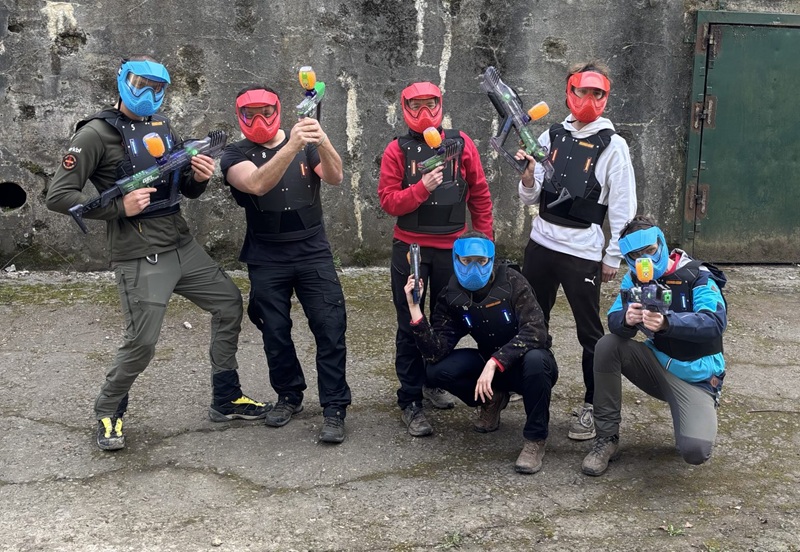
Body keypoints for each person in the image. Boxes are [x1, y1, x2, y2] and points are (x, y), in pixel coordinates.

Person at [45, 56, 268, 451]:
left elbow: (180, 188)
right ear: (122, 81)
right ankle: (109, 409)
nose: (149, 93)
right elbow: (60, 195)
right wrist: (118, 207)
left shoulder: (162, 126)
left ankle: (225, 397)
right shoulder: (95, 134)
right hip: (138, 251)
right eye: (140, 83)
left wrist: (198, 177)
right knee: (142, 342)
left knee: (230, 303)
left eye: (158, 87)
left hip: (179, 242)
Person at [220, 84, 351, 444]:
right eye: (250, 114)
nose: (259, 120)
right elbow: (257, 184)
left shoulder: (307, 143)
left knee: (330, 328)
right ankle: (289, 395)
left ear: (277, 109)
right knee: (275, 333)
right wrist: (292, 144)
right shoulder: (233, 154)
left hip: (313, 253)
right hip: (266, 256)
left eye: (266, 111)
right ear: (240, 116)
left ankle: (335, 407)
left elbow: (336, 176)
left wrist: (321, 140)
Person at [516, 61, 637, 441]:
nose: (588, 99)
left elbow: (622, 205)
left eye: (597, 93)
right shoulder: (551, 136)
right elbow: (532, 196)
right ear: (569, 91)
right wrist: (527, 175)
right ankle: (533, 391)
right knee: (532, 323)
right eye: (582, 91)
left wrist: (613, 254)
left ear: (606, 96)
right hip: (541, 244)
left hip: (583, 250)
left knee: (591, 334)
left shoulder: (613, 146)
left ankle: (592, 404)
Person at [378, 81, 494, 437]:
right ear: (404, 109)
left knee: (450, 320)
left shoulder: (462, 143)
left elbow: (479, 194)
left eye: (431, 105)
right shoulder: (397, 151)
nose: (424, 114)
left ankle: (432, 380)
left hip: (454, 249)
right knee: (409, 322)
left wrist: (485, 245)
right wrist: (422, 188)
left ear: (441, 105)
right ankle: (410, 400)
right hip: (411, 249)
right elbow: (389, 202)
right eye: (416, 106)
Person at [581, 215, 727, 476]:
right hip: (657, 365)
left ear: (661, 243)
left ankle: (695, 409)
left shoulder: (697, 275)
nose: (645, 261)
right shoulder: (634, 278)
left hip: (697, 378)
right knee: (607, 345)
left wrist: (668, 323)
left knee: (694, 451)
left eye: (650, 251)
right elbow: (614, 319)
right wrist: (626, 320)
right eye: (636, 256)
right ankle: (606, 438)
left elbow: (714, 322)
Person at [405, 232, 557, 473]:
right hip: (490, 369)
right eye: (466, 261)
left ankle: (535, 439)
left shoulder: (513, 282)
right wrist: (415, 309)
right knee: (436, 371)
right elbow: (436, 351)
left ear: (491, 259)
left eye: (481, 261)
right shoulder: (451, 294)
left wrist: (496, 361)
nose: (474, 268)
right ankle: (493, 399)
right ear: (456, 259)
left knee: (537, 360)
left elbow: (537, 332)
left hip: (525, 366)